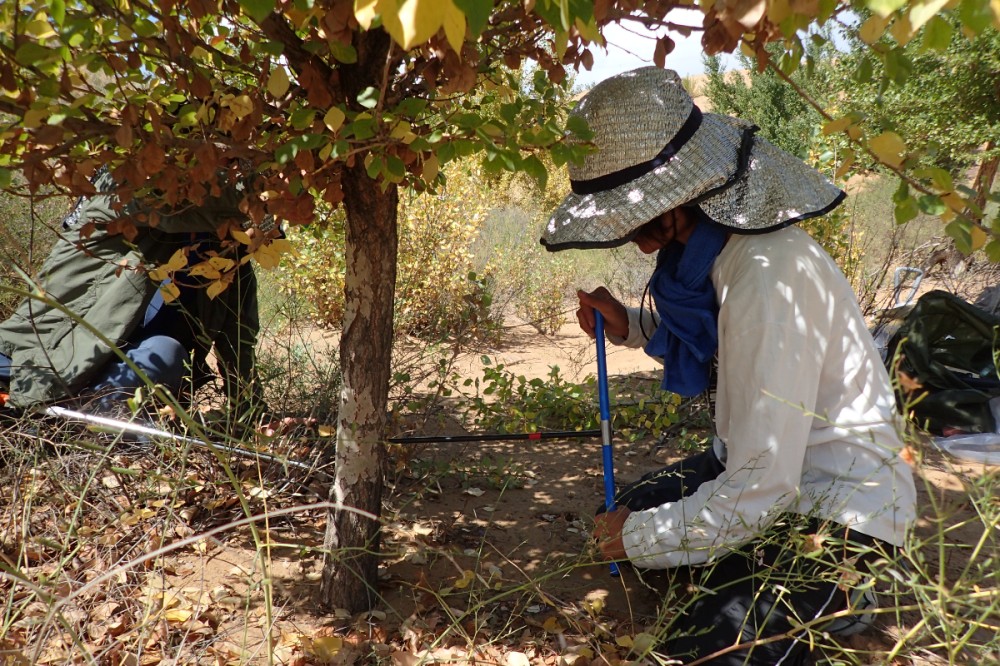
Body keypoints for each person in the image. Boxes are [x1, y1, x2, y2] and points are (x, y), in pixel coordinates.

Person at [541, 67, 917, 665]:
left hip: (838, 513)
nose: (639, 244)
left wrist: (637, 541)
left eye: (644, 221)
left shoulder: (767, 281)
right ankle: (723, 567)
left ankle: (848, 598)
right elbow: (712, 338)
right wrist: (631, 326)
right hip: (761, 481)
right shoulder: (717, 250)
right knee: (624, 511)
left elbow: (760, 490)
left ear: (690, 193)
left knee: (704, 650)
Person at [0, 168, 266, 423]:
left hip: (114, 377)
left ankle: (78, 425)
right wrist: (274, 196)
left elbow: (238, 338)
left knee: (166, 352)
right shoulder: (116, 185)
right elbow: (174, 212)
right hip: (31, 359)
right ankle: (49, 420)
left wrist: (255, 416)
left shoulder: (226, 253)